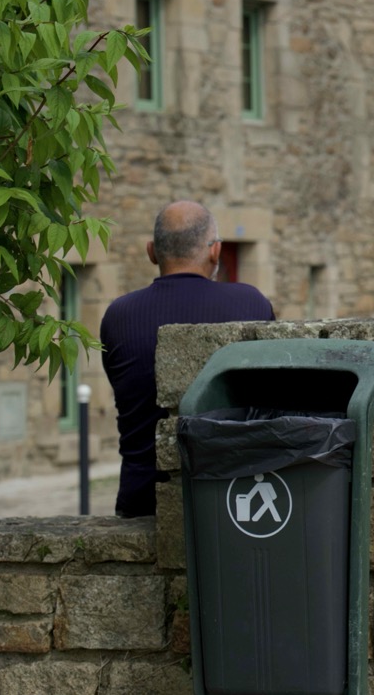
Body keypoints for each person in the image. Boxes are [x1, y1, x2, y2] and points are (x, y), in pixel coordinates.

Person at [101, 201, 275, 518]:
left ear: (151, 252)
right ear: (215, 251)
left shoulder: (119, 316)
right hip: (232, 501)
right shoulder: (251, 304)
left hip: (144, 499)